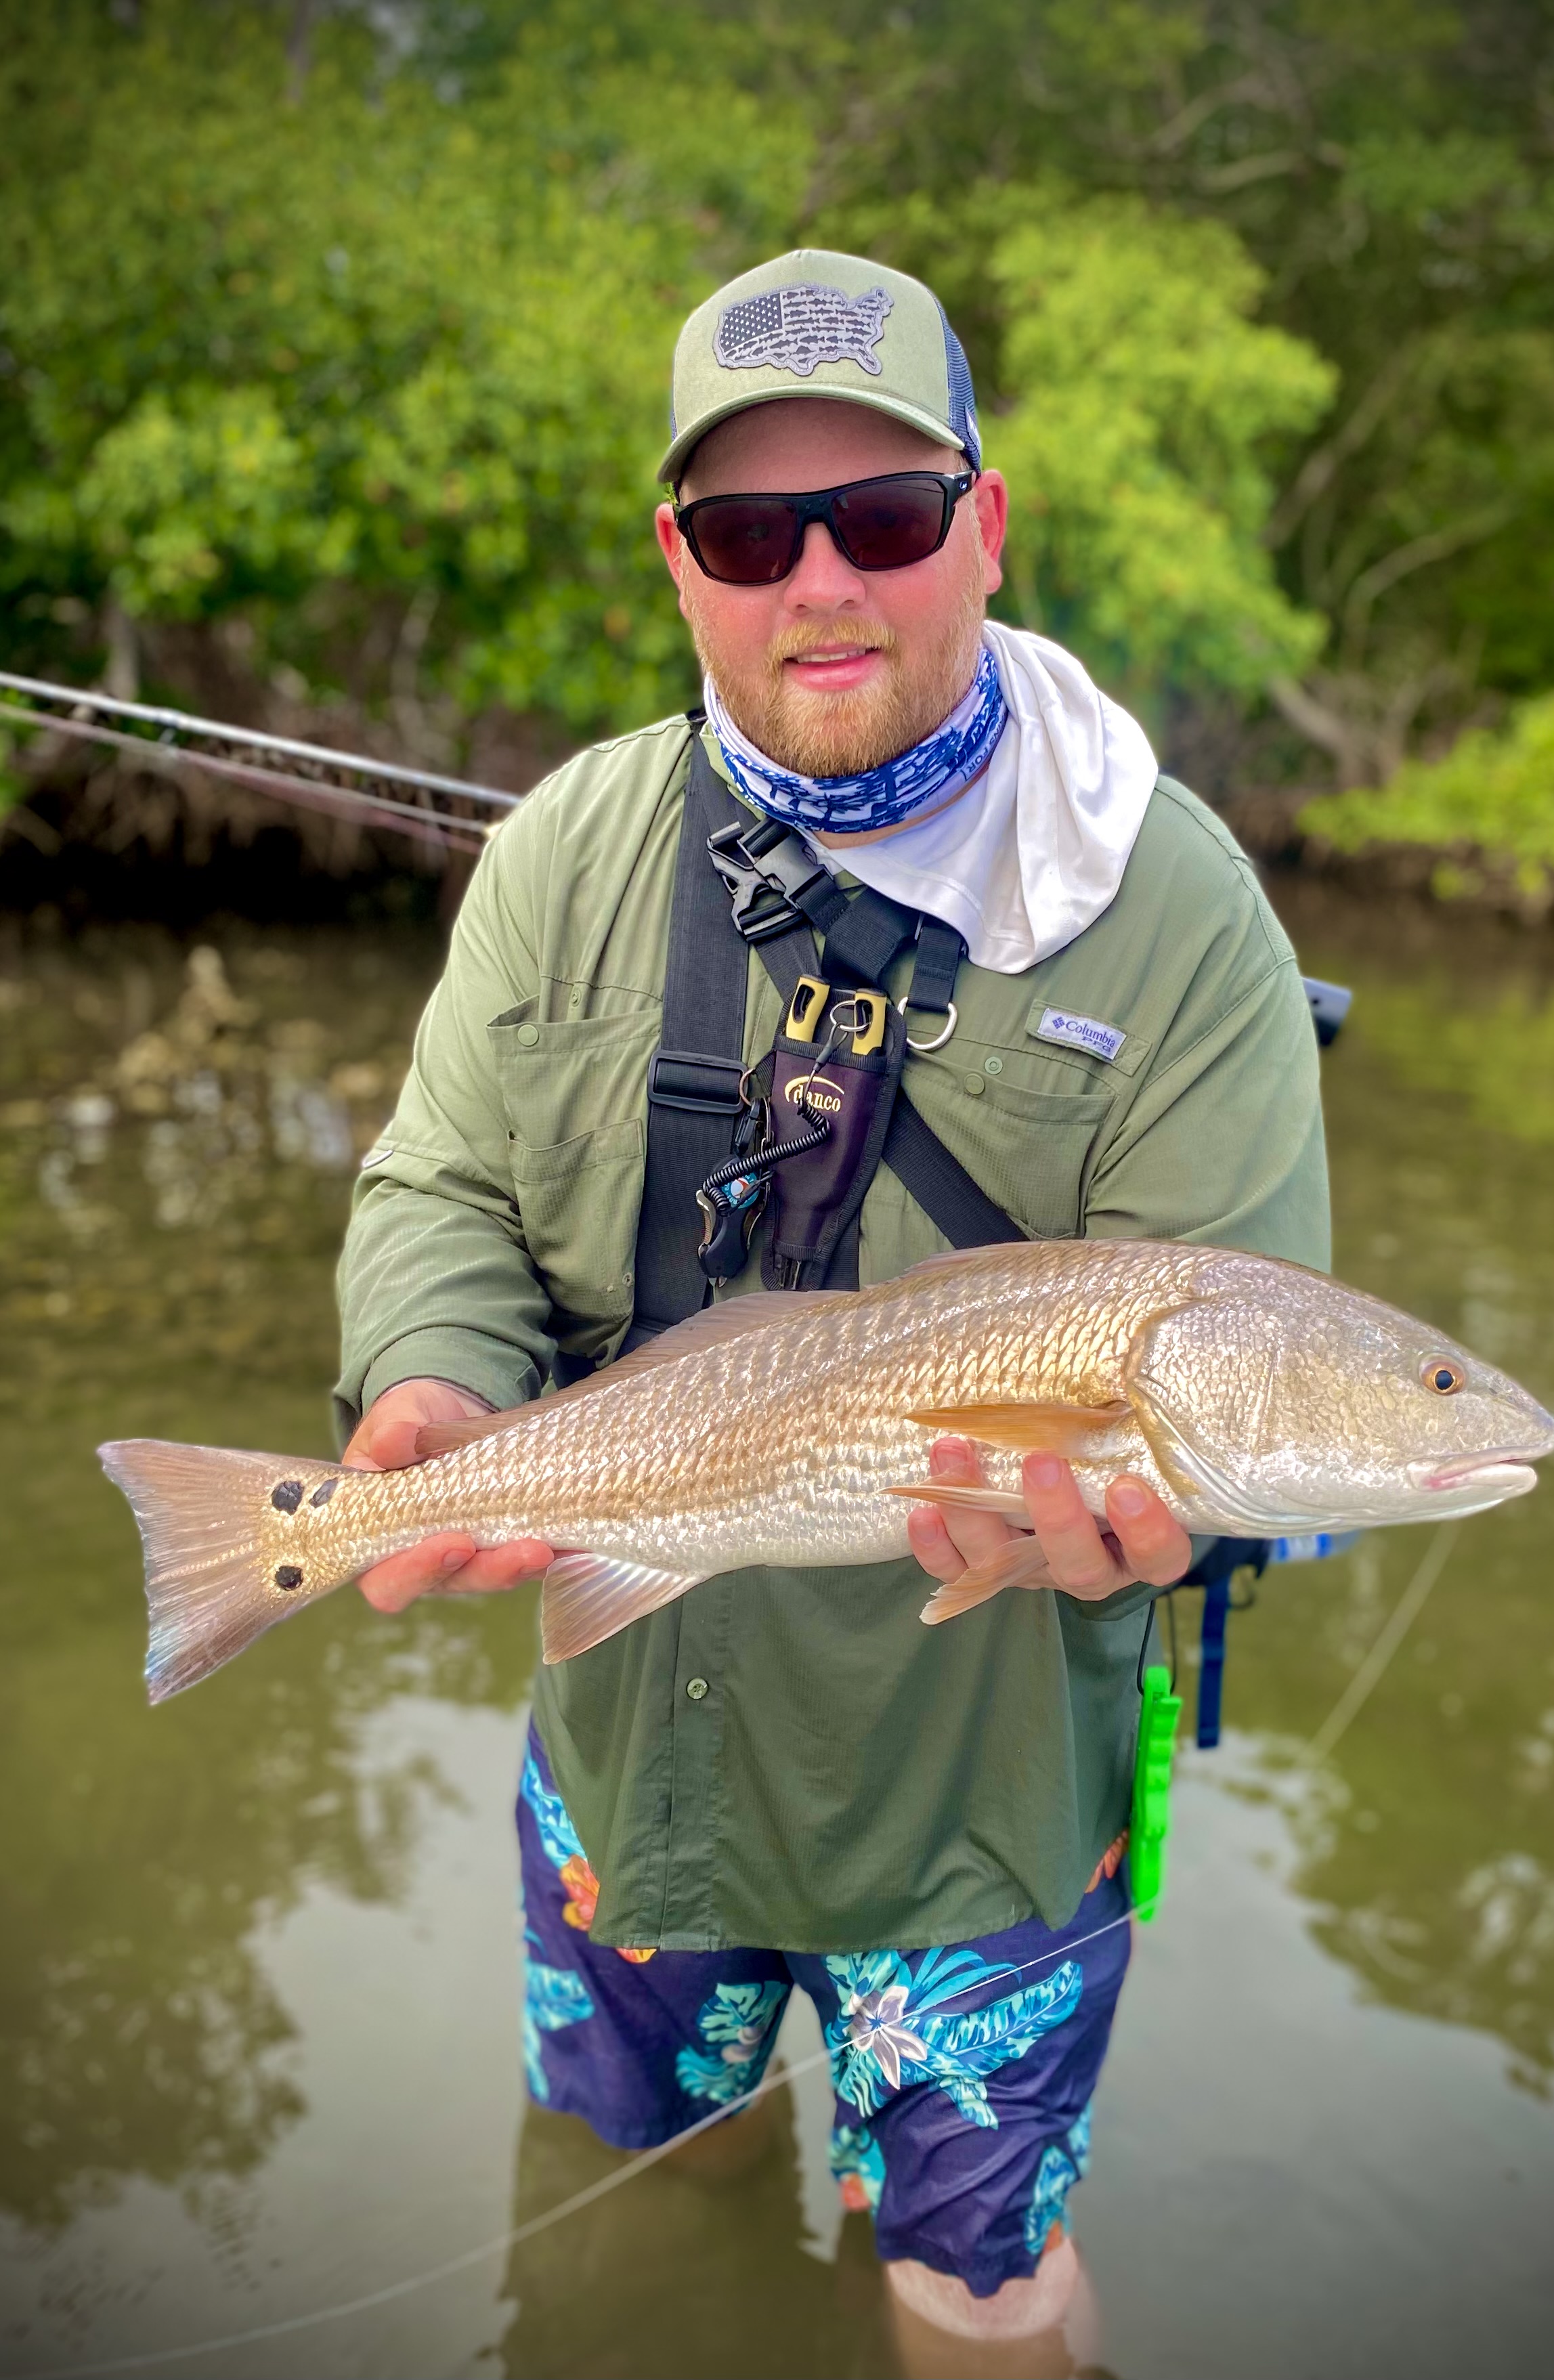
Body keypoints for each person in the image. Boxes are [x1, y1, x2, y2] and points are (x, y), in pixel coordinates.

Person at [334, 248, 1329, 2374]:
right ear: (675, 563)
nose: (822, 587)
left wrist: (1186, 1514)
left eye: (880, 517)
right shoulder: (564, 851)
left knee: (979, 2294)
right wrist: (433, 1378)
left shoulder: (1179, 908)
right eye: (746, 531)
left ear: (985, 520)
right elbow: (440, 1183)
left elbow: (1243, 1354)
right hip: (632, 1763)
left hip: (987, 1811)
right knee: (638, 2204)